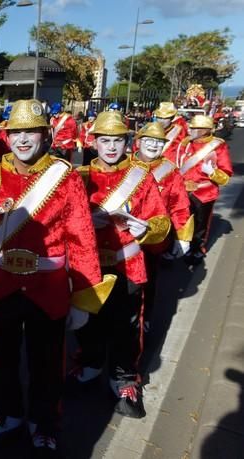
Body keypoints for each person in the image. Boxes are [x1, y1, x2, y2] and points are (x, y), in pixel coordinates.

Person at [0, 99, 115, 458]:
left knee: (47, 362)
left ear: (45, 135)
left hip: (47, 289)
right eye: (15, 132)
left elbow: (81, 238)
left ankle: (44, 422)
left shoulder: (65, 178)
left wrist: (84, 296)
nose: (22, 140)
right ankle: (10, 412)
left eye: (30, 132)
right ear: (5, 137)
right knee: (0, 359)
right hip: (0, 285)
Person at [71, 111, 170, 419]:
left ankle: (125, 378)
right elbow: (62, 222)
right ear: (94, 141)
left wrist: (148, 229)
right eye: (105, 140)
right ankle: (90, 363)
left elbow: (161, 220)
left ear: (127, 142)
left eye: (117, 140)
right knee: (89, 322)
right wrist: (86, 220)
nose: (111, 147)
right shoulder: (80, 177)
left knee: (126, 327)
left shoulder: (141, 176)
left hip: (127, 264)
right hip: (89, 267)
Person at [133, 122, 192, 329]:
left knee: (149, 280)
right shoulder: (124, 165)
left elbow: (180, 205)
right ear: (138, 142)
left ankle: (145, 318)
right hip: (123, 239)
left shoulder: (170, 171)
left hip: (154, 238)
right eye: (149, 140)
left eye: (158, 142)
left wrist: (183, 236)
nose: (153, 145)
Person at [174, 114, 232, 266]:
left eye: (195, 128)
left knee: (201, 224)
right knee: (179, 220)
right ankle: (177, 246)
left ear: (206, 130)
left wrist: (212, 173)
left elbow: (225, 175)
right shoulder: (185, 143)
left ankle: (197, 249)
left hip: (204, 192)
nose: (191, 130)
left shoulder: (217, 145)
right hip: (182, 190)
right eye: (191, 127)